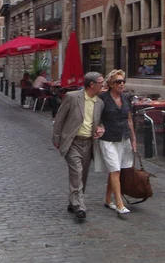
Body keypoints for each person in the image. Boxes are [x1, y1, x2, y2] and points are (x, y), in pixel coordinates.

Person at [52, 72, 105, 221]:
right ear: (92, 84)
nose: (103, 85)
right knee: (77, 171)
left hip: (88, 142)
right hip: (72, 141)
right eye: (101, 82)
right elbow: (60, 118)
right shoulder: (72, 97)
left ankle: (73, 202)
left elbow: (99, 121)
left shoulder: (99, 103)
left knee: (83, 175)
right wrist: (56, 139)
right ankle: (80, 207)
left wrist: (100, 128)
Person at [97, 69, 137, 216]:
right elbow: (95, 116)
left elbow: (129, 120)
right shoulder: (102, 98)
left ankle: (108, 199)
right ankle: (119, 203)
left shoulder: (126, 98)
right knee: (115, 170)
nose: (121, 84)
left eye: (123, 81)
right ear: (111, 84)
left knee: (116, 168)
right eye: (118, 82)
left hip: (123, 138)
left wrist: (133, 139)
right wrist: (98, 126)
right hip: (108, 139)